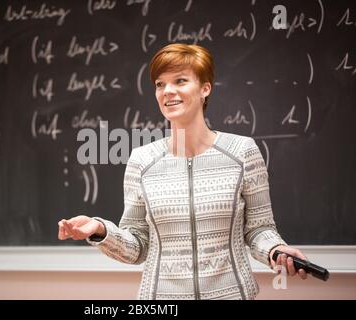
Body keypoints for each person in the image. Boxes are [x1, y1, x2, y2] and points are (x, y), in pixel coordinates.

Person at [58, 43, 308, 300]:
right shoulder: (142, 161)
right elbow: (138, 246)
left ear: (205, 89)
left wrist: (276, 249)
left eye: (180, 80)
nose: (168, 91)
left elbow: (258, 229)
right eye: (159, 84)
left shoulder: (242, 152)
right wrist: (100, 229)